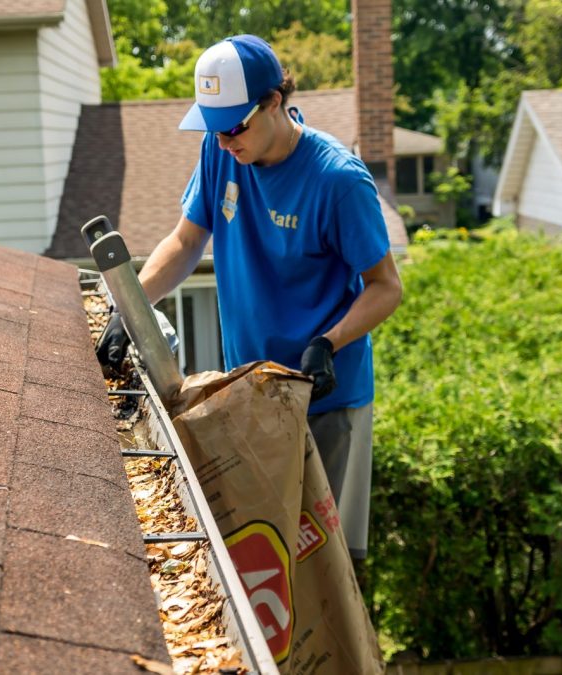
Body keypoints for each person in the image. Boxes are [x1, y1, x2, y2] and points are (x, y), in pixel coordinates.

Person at [96, 34, 402, 564]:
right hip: (252, 392)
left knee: (328, 565)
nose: (222, 142)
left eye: (234, 126)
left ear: (275, 102)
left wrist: (328, 343)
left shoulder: (337, 181)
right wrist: (132, 305)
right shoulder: (223, 155)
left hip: (327, 397)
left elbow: (386, 286)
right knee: (266, 554)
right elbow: (187, 240)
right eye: (212, 128)